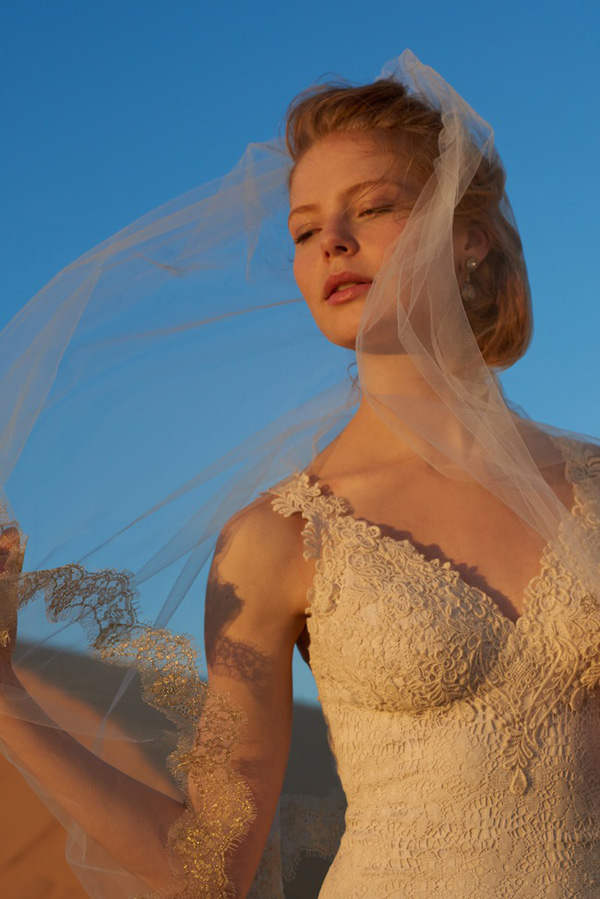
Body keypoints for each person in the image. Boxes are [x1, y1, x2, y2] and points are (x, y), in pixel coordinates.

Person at [0, 50, 599, 898]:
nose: (335, 245)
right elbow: (205, 866)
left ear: (468, 237)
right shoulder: (280, 537)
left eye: (374, 208)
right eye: (306, 231)